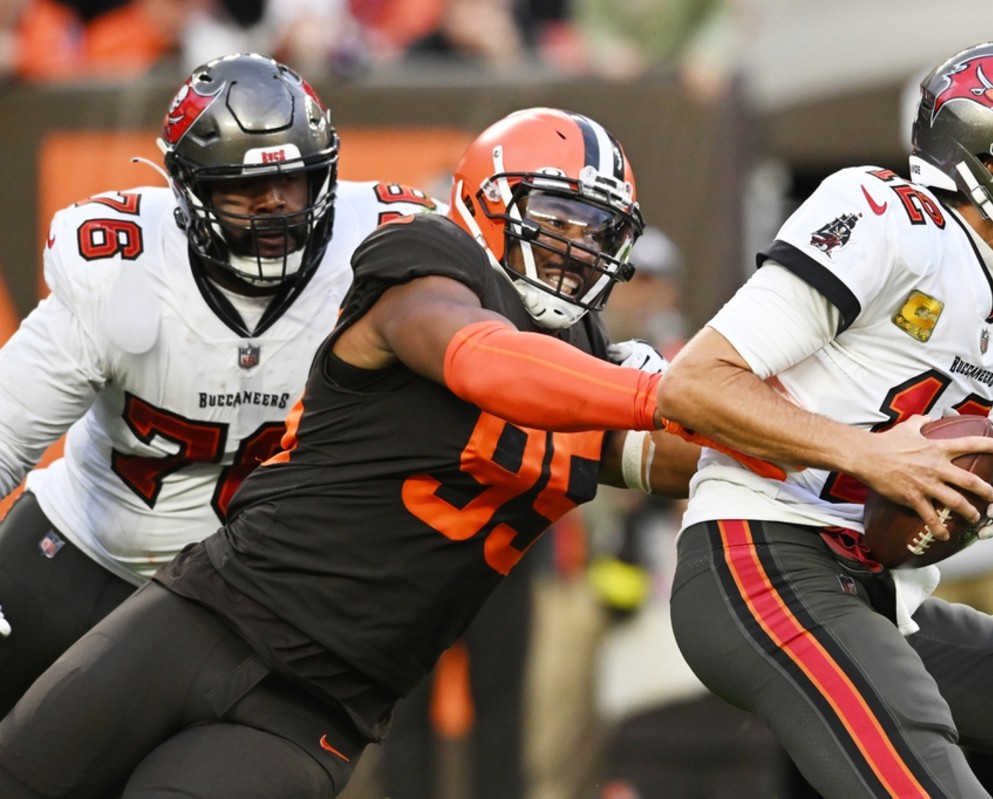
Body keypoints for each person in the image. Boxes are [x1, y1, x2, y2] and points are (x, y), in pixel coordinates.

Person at [0, 106, 700, 799]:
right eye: (555, 222)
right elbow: (481, 360)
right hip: (172, 588)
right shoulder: (422, 270)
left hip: (321, 688)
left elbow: (669, 454)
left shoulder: (572, 348)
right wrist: (657, 393)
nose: (575, 249)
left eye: (597, 231)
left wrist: (776, 446)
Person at [656, 40, 993, 798]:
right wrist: (871, 456)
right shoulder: (882, 217)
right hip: (762, 551)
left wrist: (979, 492)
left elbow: (942, 466)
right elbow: (694, 384)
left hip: (875, 582)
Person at [0, 51, 441, 717]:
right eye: (243, 189)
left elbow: (508, 339)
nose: (274, 209)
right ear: (188, 189)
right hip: (89, 557)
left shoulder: (380, 250)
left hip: (256, 598)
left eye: (292, 183)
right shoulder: (122, 268)